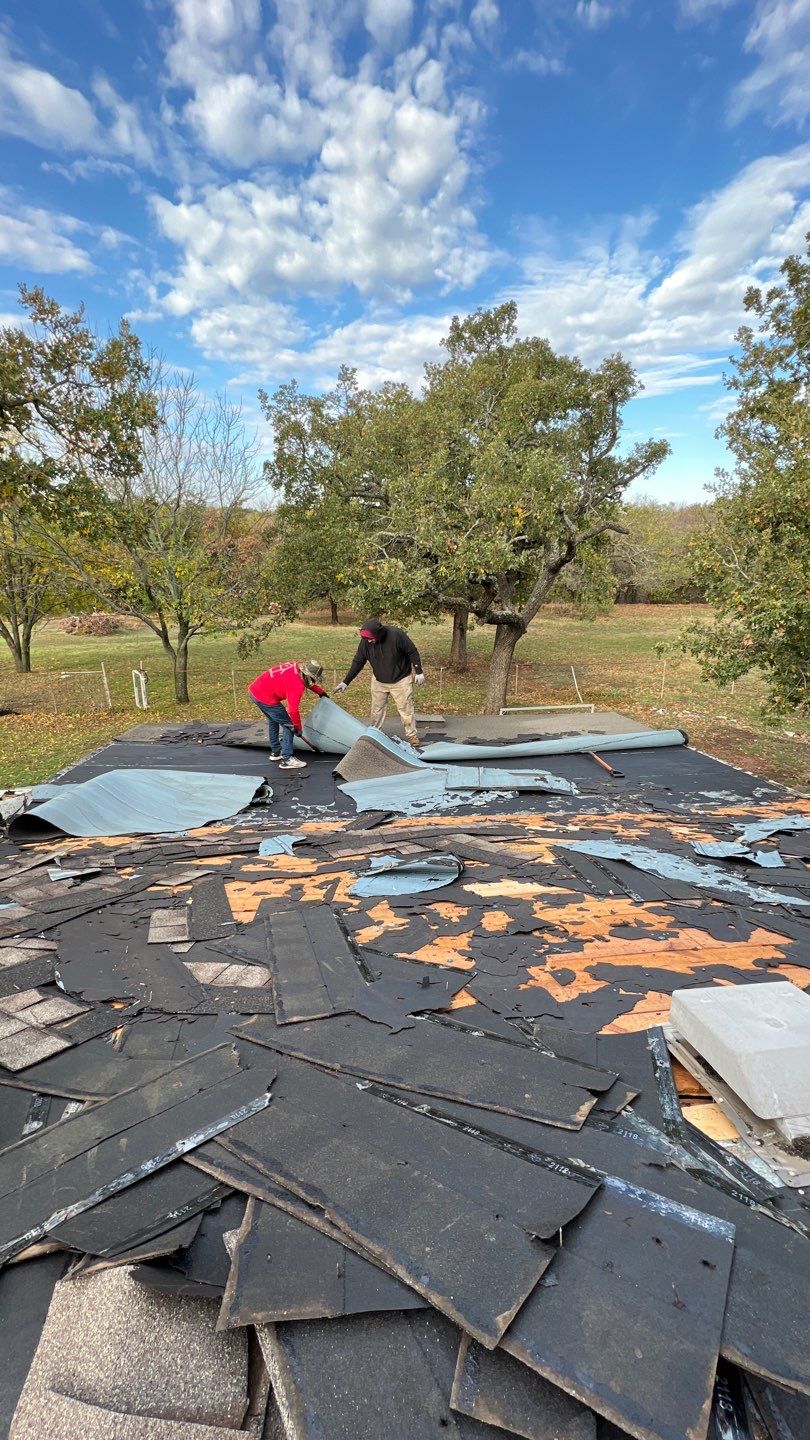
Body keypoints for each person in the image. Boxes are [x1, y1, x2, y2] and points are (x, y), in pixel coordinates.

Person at [334, 618, 425, 747]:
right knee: (377, 710)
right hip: (379, 681)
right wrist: (345, 682)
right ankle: (374, 735)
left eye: (371, 638)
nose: (369, 641)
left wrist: (419, 671)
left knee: (406, 710)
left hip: (401, 679)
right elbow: (358, 661)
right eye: (366, 639)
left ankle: (412, 736)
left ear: (379, 633)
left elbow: (412, 651)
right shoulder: (366, 642)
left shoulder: (397, 635)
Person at [248, 659, 326, 769]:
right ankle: (287, 759)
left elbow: (305, 680)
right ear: (309, 675)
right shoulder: (296, 685)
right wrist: (297, 727)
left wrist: (320, 692)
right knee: (289, 726)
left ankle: (276, 752)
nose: (313, 681)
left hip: (255, 691)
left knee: (273, 721)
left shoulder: (294, 666)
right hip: (265, 697)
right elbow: (293, 710)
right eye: (313, 678)